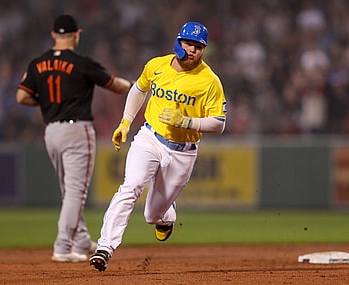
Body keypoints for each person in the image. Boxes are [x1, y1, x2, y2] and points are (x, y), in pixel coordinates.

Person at [89, 21, 227, 272]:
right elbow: (138, 89)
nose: (193, 50)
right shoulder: (157, 65)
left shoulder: (209, 81)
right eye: (189, 43)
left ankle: (165, 215)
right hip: (150, 138)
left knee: (152, 216)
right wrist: (125, 122)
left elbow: (219, 123)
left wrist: (187, 121)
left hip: (183, 151)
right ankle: (105, 247)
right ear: (178, 42)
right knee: (130, 187)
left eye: (199, 46)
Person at [16, 14, 134, 263]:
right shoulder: (81, 63)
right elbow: (115, 85)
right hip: (76, 131)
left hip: (51, 132)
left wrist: (47, 102)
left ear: (53, 35)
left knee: (67, 190)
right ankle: (62, 245)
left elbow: (22, 97)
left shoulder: (38, 63)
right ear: (76, 34)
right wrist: (137, 86)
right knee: (75, 193)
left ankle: (80, 240)